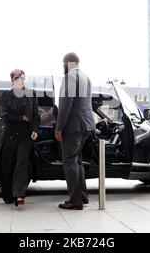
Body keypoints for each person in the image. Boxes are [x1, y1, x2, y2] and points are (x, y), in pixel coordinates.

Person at [55, 53, 95, 210]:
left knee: (70, 161)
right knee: (77, 160)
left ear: (68, 62)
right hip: (85, 125)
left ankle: (75, 200)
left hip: (73, 127)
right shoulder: (85, 77)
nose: (62, 66)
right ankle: (82, 196)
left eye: (63, 63)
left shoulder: (70, 77)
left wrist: (59, 127)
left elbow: (66, 104)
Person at [0, 69, 39, 206]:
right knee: (9, 164)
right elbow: (4, 116)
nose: (20, 79)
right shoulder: (7, 95)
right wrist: (21, 117)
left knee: (22, 162)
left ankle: (19, 194)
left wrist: (34, 129)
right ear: (12, 80)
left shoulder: (30, 94)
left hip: (26, 135)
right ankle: (8, 195)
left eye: (22, 77)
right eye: (17, 77)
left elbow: (35, 115)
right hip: (11, 134)